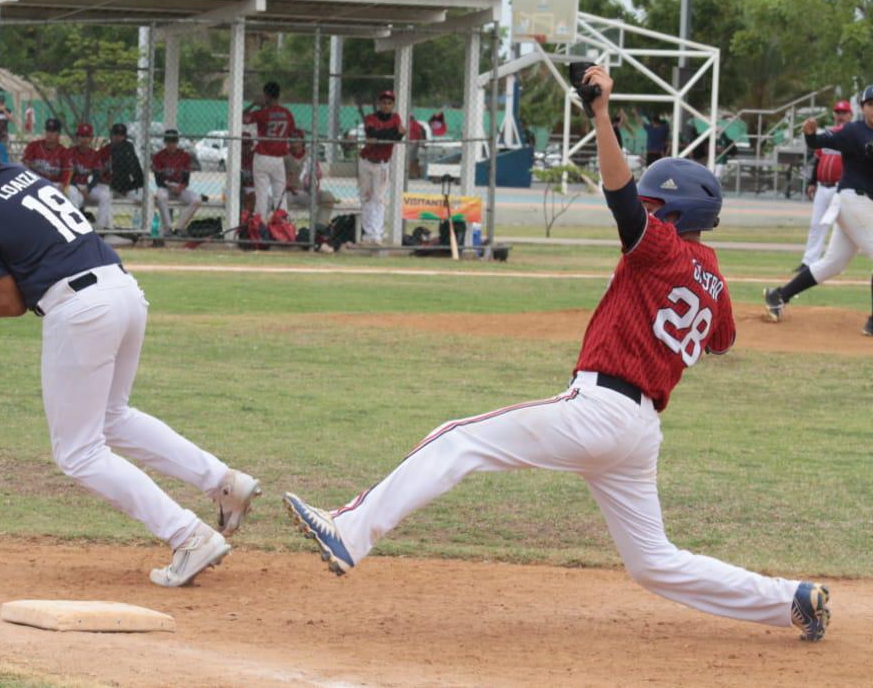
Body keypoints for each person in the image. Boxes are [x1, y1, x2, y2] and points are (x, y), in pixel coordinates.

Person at [284, 65, 832, 643]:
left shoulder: (661, 248)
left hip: (600, 409)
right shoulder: (713, 277)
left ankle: (349, 530)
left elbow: (620, 195)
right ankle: (790, 600)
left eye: (656, 206)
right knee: (653, 562)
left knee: (457, 439)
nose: (646, 212)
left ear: (674, 217)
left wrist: (601, 115)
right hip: (639, 431)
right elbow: (722, 341)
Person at [0, 115, 262, 586]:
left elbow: (9, 302)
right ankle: (224, 482)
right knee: (113, 417)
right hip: (123, 291)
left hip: (80, 310)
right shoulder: (22, 176)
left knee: (78, 453)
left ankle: (188, 535)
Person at [764, 85, 873, 336]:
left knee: (833, 263)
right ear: (863, 107)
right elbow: (821, 141)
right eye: (871, 104)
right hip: (851, 199)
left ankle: (778, 295)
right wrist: (810, 134)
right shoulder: (854, 131)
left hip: (865, 205)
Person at [798, 101, 850, 270]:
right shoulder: (828, 135)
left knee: (842, 228)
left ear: (850, 115)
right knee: (816, 224)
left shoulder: (852, 136)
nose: (840, 116)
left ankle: (832, 263)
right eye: (838, 112)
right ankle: (808, 262)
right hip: (822, 186)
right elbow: (818, 159)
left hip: (840, 187)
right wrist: (812, 182)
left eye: (844, 112)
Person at [357, 90, 405, 244]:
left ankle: (377, 234)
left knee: (378, 199)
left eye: (389, 103)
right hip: (366, 161)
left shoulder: (396, 118)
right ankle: (368, 234)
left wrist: (391, 135)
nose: (386, 105)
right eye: (383, 102)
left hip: (382, 163)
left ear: (393, 105)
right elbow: (372, 133)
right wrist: (394, 133)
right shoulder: (370, 118)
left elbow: (394, 138)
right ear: (379, 103)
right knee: (366, 197)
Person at [243, 82, 295, 219]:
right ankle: (282, 222)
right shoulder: (286, 113)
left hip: (262, 156)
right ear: (278, 95)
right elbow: (291, 131)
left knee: (261, 194)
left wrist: (254, 104)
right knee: (279, 194)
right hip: (278, 159)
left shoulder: (262, 113)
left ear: (266, 95)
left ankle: (259, 223)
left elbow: (243, 118)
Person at [95, 122, 146, 231]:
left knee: (146, 196)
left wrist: (138, 186)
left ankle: (144, 230)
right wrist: (106, 168)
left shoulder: (129, 149)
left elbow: (136, 171)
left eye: (121, 135)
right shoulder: (104, 151)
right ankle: (105, 229)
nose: (118, 137)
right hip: (109, 188)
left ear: (125, 136)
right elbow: (97, 174)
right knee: (106, 195)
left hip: (125, 189)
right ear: (111, 135)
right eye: (116, 134)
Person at [152, 129, 201, 236]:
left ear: (177, 142)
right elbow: (158, 181)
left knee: (197, 200)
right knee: (161, 196)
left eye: (173, 141)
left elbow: (186, 180)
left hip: (179, 188)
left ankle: (179, 228)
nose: (171, 144)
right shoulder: (158, 156)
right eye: (169, 141)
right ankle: (168, 228)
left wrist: (181, 187)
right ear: (165, 142)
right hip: (165, 187)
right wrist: (170, 186)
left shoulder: (184, 156)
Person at [284, 129, 336, 226]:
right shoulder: (284, 156)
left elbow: (318, 176)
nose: (294, 142)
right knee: (274, 199)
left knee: (328, 197)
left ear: (303, 141)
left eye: (297, 139)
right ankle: (281, 228)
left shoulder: (310, 157)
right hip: (288, 194)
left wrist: (315, 178)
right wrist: (286, 186)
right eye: (292, 139)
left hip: (306, 193)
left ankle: (320, 227)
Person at [66, 123, 106, 214]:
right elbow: (67, 175)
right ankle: (75, 220)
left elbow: (96, 176)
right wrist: (79, 188)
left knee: (105, 195)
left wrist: (89, 188)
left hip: (87, 186)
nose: (84, 139)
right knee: (73, 193)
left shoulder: (94, 155)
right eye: (82, 136)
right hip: (73, 185)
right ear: (77, 137)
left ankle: (103, 222)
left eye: (87, 136)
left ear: (91, 138)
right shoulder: (70, 152)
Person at [23, 118, 72, 192]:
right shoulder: (33, 146)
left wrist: (63, 186)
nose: (49, 134)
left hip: (54, 185)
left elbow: (66, 175)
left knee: (71, 190)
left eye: (53, 131)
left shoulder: (64, 152)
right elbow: (25, 167)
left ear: (59, 134)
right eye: (48, 130)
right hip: (35, 183)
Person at [0, 95, 15, 163]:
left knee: (4, 151)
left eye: (2, 102)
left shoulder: (8, 110)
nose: (1, 104)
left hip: (3, 135)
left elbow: (11, 119)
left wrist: (4, 110)